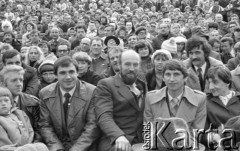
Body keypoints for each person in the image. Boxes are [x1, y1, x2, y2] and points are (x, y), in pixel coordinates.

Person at [39, 56, 99, 151]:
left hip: (84, 147)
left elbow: (92, 126)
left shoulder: (92, 92)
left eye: (71, 72)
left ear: (77, 73)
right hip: (57, 145)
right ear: (56, 75)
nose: (68, 77)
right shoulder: (45, 93)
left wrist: (76, 149)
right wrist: (57, 148)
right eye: (62, 73)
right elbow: (45, 125)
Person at [94, 50, 147, 151]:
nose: (132, 68)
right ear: (119, 65)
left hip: (141, 140)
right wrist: (118, 136)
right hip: (115, 141)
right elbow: (104, 116)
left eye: (135, 65)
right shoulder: (106, 84)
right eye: (127, 64)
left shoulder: (142, 84)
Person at [144, 59, 206, 131]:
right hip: (158, 141)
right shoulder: (150, 98)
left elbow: (197, 132)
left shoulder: (199, 99)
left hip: (187, 141)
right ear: (163, 78)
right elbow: (148, 130)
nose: (171, 79)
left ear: (185, 78)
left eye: (176, 74)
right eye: (168, 74)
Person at [0, 65, 41, 141]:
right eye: (14, 80)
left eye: (21, 80)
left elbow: (39, 132)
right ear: (3, 84)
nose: (19, 84)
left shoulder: (33, 103)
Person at [0, 86, 48, 151]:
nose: (3, 104)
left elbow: (30, 131)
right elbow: (4, 144)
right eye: (0, 101)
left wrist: (29, 144)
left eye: (6, 100)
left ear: (11, 103)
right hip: (11, 148)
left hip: (27, 145)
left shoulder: (20, 114)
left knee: (42, 146)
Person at [204, 66, 240, 150]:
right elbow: (202, 132)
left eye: (215, 82)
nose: (211, 87)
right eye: (209, 83)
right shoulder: (205, 102)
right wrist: (214, 137)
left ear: (227, 82)